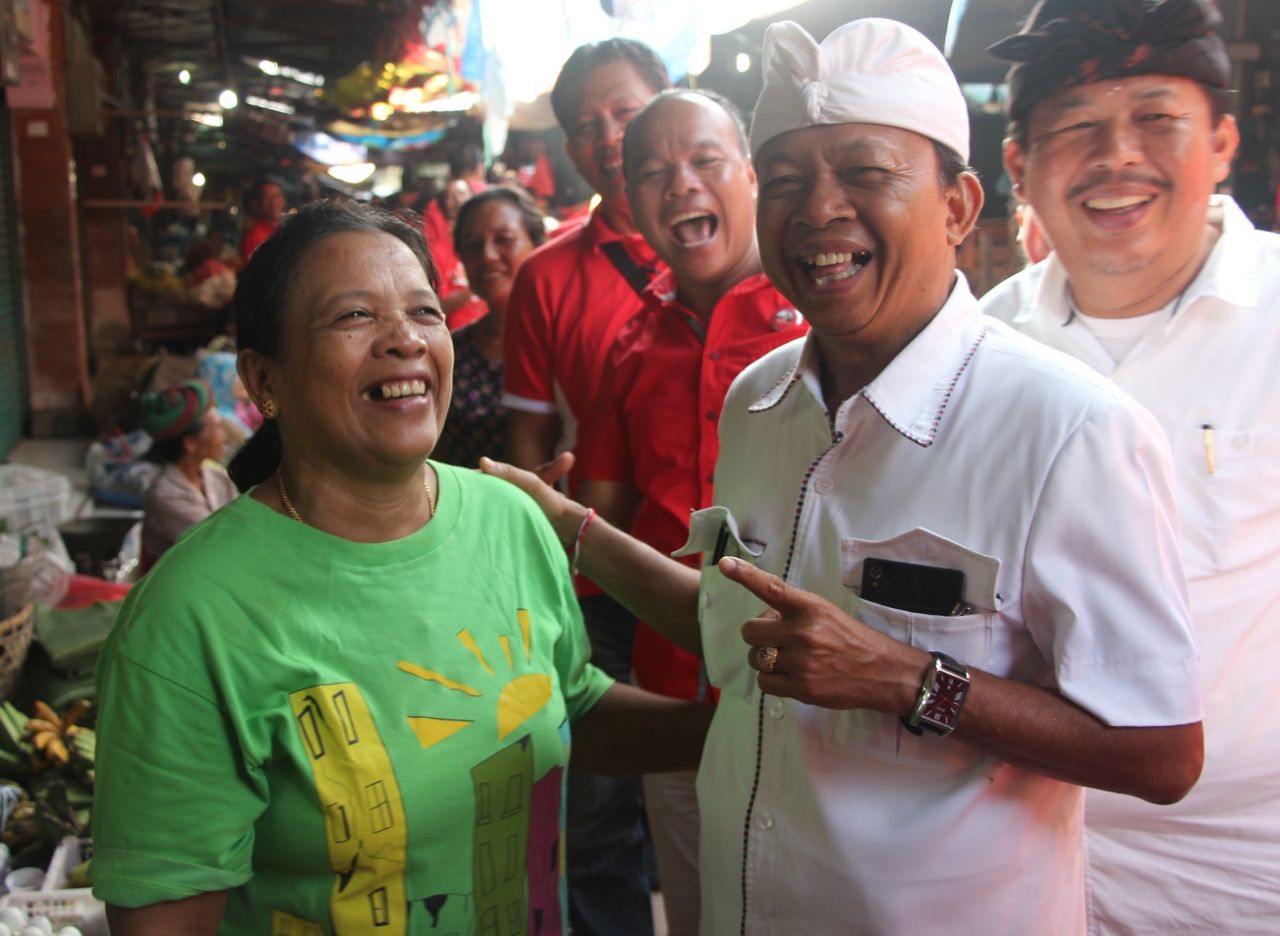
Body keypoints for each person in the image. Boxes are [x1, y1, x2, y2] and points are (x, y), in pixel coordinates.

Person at [482, 17, 1204, 934]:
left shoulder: (1069, 432)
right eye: (785, 181)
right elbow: (729, 621)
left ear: (958, 204)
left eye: (865, 173)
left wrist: (909, 678)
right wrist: (565, 522)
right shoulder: (756, 404)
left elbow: (1163, 754)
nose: (817, 209)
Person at [90, 201, 711, 935]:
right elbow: (170, 921)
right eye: (354, 317)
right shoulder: (190, 616)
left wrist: (742, 733)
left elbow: (562, 707)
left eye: (426, 311)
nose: (404, 341)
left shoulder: (513, 518)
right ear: (263, 380)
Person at [981, 2, 1280, 932]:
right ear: (1020, 165)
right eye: (1076, 127)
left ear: (1223, 141)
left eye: (1158, 117)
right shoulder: (980, 347)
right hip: (1009, 855)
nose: (1118, 156)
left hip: (1243, 870)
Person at [573, 88, 807, 934]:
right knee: (705, 907)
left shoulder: (821, 321)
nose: (680, 185)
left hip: (821, 698)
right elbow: (600, 508)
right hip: (679, 695)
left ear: (750, 173)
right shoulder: (631, 346)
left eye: (704, 161)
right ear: (631, 204)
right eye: (652, 173)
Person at [500, 37, 671, 935]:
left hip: (736, 572)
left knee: (735, 791)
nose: (609, 138)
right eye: (586, 127)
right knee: (599, 821)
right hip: (597, 588)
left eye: (627, 112)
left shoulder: (758, 252)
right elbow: (528, 444)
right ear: (569, 149)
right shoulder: (546, 277)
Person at [433, 186, 546, 467]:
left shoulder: (567, 344)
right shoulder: (450, 353)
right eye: (473, 245)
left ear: (538, 246)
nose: (488, 255)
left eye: (504, 240)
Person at [137, 379, 236, 572]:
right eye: (216, 429)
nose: (223, 437)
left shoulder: (216, 476)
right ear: (190, 443)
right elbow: (217, 543)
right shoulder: (166, 495)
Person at [239, 177, 285, 264]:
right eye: (267, 198)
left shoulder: (280, 229)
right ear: (256, 204)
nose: (274, 202)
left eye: (277, 196)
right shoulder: (256, 235)